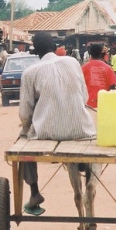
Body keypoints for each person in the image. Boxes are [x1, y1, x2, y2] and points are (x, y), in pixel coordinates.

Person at [18, 32, 96, 215]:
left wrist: (26, 127)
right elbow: (84, 96)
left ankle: (35, 192)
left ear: (35, 51)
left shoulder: (30, 73)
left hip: (46, 133)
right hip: (82, 130)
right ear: (55, 47)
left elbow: (25, 113)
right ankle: (84, 164)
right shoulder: (73, 63)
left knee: (22, 143)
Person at [82, 43, 116, 108]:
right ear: (101, 52)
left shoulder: (84, 68)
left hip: (87, 103)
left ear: (90, 53)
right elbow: (112, 85)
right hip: (104, 103)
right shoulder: (108, 68)